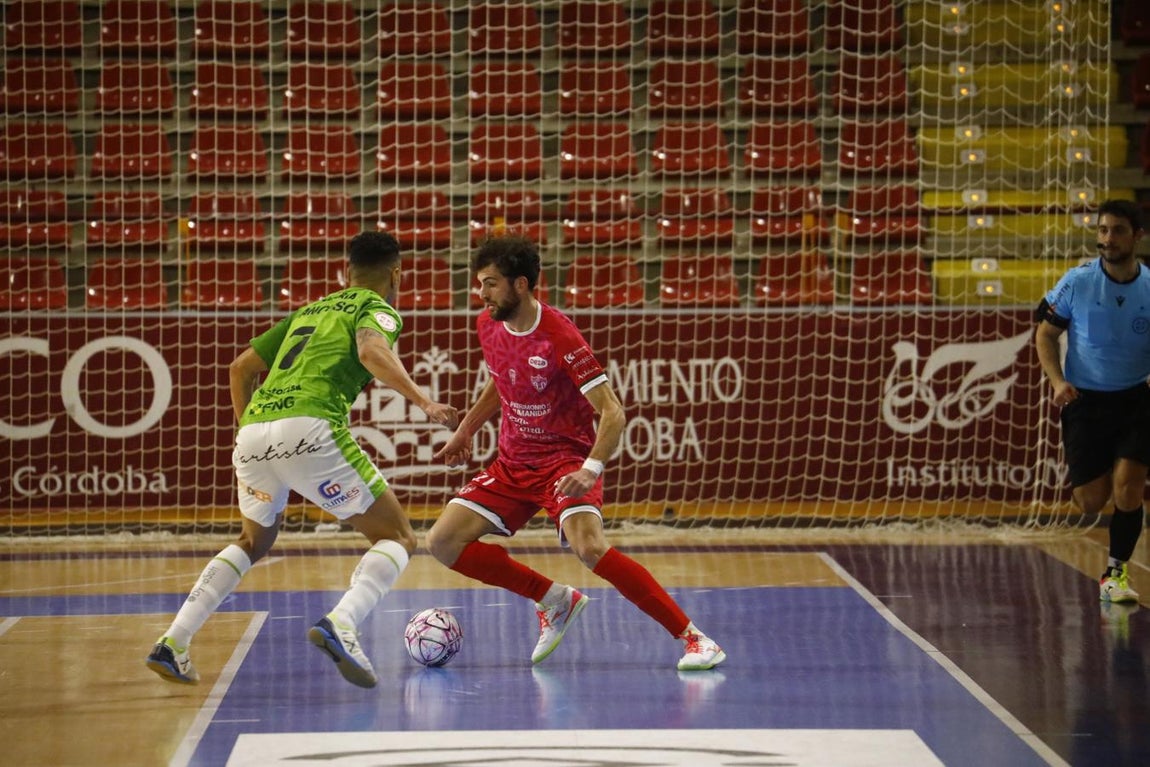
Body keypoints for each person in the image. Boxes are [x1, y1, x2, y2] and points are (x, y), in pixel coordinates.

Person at [146, 231, 459, 689]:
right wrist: (424, 402)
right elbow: (372, 351)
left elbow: (240, 368)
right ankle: (344, 623)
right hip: (310, 426)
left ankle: (173, 642)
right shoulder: (376, 308)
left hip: (253, 433)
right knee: (397, 536)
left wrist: (246, 427)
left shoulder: (307, 312)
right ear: (396, 273)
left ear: (345, 270)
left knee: (253, 540)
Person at [427, 235, 725, 671]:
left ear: (522, 284)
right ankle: (554, 600)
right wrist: (466, 430)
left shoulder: (559, 335)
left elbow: (613, 412)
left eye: (491, 284)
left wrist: (590, 468)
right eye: (480, 284)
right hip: (513, 462)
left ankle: (694, 639)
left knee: (589, 547)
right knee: (442, 542)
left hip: (564, 462)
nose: (482, 294)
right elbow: (501, 382)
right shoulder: (487, 324)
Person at [1035, 198, 1148, 604]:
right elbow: (1045, 334)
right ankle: (1088, 486)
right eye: (1102, 230)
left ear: (1137, 236)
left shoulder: (1149, 288)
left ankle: (1115, 574)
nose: (1107, 238)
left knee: (1129, 487)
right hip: (1085, 400)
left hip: (1137, 398)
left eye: (1117, 230)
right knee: (1092, 500)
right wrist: (1056, 381)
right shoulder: (1078, 282)